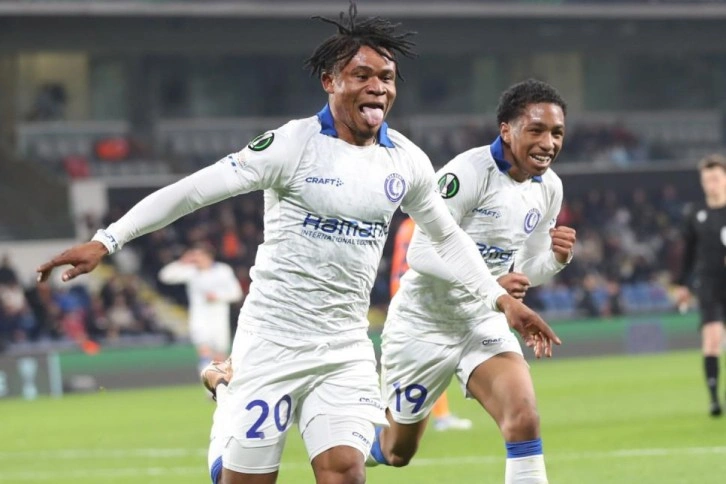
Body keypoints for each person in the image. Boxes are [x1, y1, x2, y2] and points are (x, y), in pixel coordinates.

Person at [36, 4, 559, 483]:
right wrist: (107, 240)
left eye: (386, 77)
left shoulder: (406, 161)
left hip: (345, 345)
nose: (378, 87)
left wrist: (503, 302)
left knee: (345, 472)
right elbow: (194, 190)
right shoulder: (291, 146)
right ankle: (226, 387)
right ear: (330, 81)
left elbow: (446, 238)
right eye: (362, 75)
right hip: (272, 341)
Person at [369, 79, 576, 484]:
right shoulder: (467, 173)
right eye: (536, 130)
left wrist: (556, 259)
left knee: (523, 418)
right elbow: (420, 253)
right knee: (398, 452)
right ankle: (357, 441)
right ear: (507, 130)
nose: (548, 143)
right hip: (423, 324)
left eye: (557, 133)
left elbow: (527, 269)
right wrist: (492, 286)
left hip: (482, 322)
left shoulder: (549, 187)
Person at [390, 216, 472, 431]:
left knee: (419, 359)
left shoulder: (406, 226)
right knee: (433, 357)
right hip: (418, 295)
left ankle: (408, 414)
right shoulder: (425, 224)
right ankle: (438, 417)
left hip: (401, 290)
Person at [673, 153, 726, 417]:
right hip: (709, 284)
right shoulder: (695, 213)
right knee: (712, 339)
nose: (710, 184)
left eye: (715, 178)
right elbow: (689, 253)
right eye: (706, 180)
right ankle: (714, 400)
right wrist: (682, 285)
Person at [158, 243, 243, 375]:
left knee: (220, 355)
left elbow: (236, 294)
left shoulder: (223, 270)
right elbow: (164, 276)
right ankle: (207, 382)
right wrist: (182, 261)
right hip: (199, 317)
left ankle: (221, 382)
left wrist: (218, 297)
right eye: (194, 256)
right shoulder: (191, 271)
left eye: (199, 256)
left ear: (208, 256)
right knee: (204, 349)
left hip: (219, 318)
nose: (196, 259)